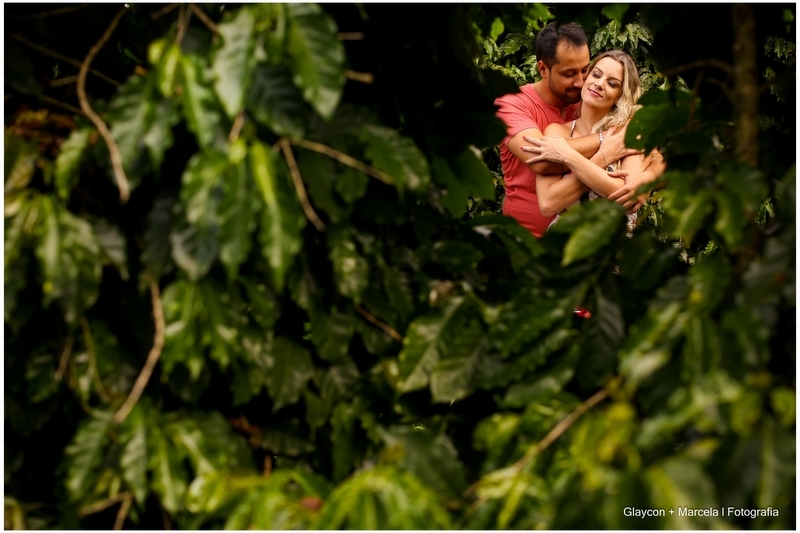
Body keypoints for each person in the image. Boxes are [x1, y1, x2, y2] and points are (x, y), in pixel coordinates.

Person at [494, 22, 662, 237]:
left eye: (585, 70)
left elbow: (654, 155)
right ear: (543, 69)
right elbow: (544, 160)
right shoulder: (513, 103)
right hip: (526, 240)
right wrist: (605, 146)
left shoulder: (588, 102)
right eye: (569, 73)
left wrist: (646, 178)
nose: (581, 81)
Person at [525, 50, 654, 233]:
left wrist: (568, 155)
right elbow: (548, 203)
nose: (599, 84)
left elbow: (624, 196)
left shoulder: (629, 133)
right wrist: (603, 156)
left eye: (612, 83)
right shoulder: (557, 132)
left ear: (620, 96)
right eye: (596, 74)